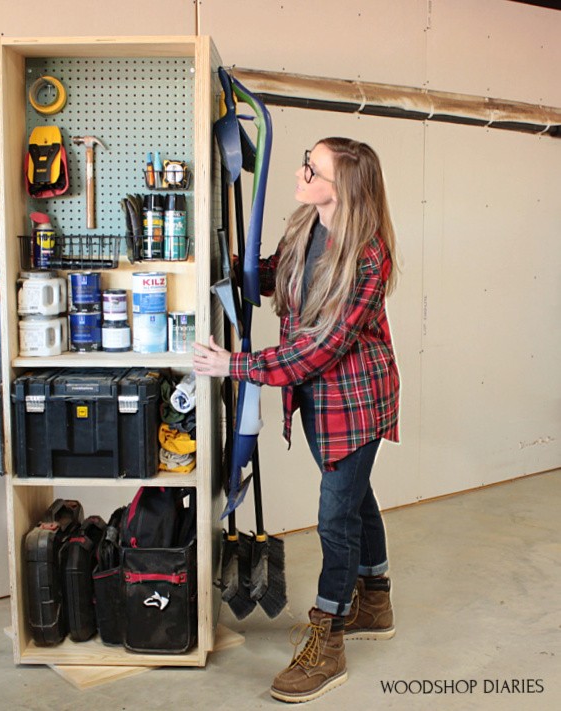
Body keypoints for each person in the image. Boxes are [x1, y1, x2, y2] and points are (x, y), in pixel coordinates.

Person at [193, 137, 400, 704]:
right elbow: (278, 273)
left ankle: (327, 640)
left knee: (335, 519)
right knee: (355, 499)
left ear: (344, 189)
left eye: (313, 168)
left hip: (354, 399)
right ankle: (375, 599)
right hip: (315, 399)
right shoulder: (305, 225)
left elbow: (320, 349)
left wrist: (235, 366)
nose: (300, 172)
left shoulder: (366, 256)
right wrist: (234, 266)